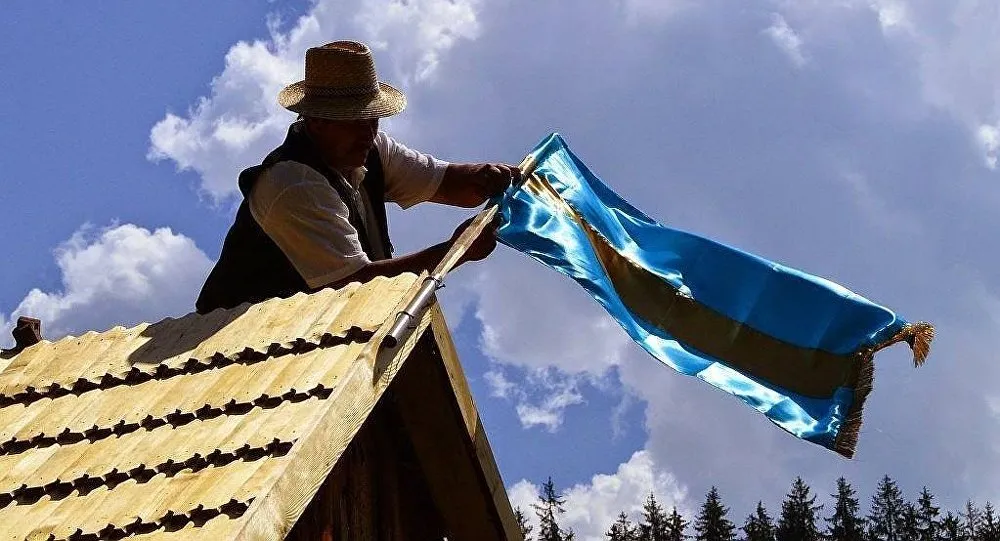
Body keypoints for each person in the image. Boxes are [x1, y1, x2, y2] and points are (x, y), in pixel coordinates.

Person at [196, 41, 520, 313]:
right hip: (242, 348)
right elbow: (353, 286)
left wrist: (484, 176)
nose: (368, 133)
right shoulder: (293, 184)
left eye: (373, 119)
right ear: (317, 121)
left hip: (317, 334)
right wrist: (456, 251)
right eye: (354, 121)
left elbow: (446, 182)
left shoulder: (372, 148)